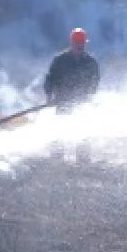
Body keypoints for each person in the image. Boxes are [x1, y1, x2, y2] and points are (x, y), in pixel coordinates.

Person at [42, 28, 101, 162]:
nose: (80, 46)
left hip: (82, 103)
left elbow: (95, 81)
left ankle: (83, 159)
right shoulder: (60, 60)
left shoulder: (91, 62)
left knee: (83, 130)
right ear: (72, 43)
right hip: (62, 101)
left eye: (82, 43)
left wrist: (88, 95)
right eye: (77, 43)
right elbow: (50, 79)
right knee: (60, 130)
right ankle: (56, 159)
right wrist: (49, 96)